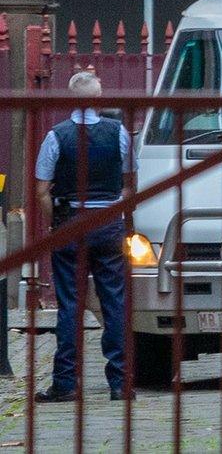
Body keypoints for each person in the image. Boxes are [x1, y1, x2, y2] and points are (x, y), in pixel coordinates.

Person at [33, 71, 136, 402]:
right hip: (108, 223)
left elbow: (41, 190)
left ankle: (65, 382)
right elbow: (128, 182)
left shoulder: (56, 136)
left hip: (71, 222)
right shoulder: (118, 133)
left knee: (70, 303)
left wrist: (58, 223)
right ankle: (120, 382)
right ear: (99, 97)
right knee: (114, 300)